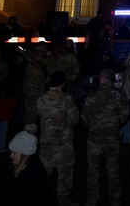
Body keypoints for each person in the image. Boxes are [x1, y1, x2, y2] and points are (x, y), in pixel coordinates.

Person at [81, 68, 129, 206]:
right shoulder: (120, 94)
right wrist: (116, 124)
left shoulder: (93, 94)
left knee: (92, 171)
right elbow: (125, 112)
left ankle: (91, 200)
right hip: (112, 138)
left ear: (102, 79)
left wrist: (91, 126)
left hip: (94, 139)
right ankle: (115, 200)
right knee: (113, 169)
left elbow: (84, 116)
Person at [36, 70, 80, 206]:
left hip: (45, 140)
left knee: (44, 170)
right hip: (63, 141)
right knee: (65, 171)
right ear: (63, 83)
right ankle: (63, 200)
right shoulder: (67, 99)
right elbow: (74, 119)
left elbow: (38, 114)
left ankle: (36, 195)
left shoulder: (41, 98)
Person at [0, 124, 51, 206]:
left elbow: (21, 200)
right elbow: (7, 188)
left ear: (24, 154)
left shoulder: (33, 173)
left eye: (14, 153)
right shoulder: (20, 165)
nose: (11, 155)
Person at [0, 82, 18, 153]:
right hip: (5, 118)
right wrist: (11, 114)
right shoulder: (10, 97)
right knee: (2, 134)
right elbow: (13, 107)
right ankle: (0, 148)